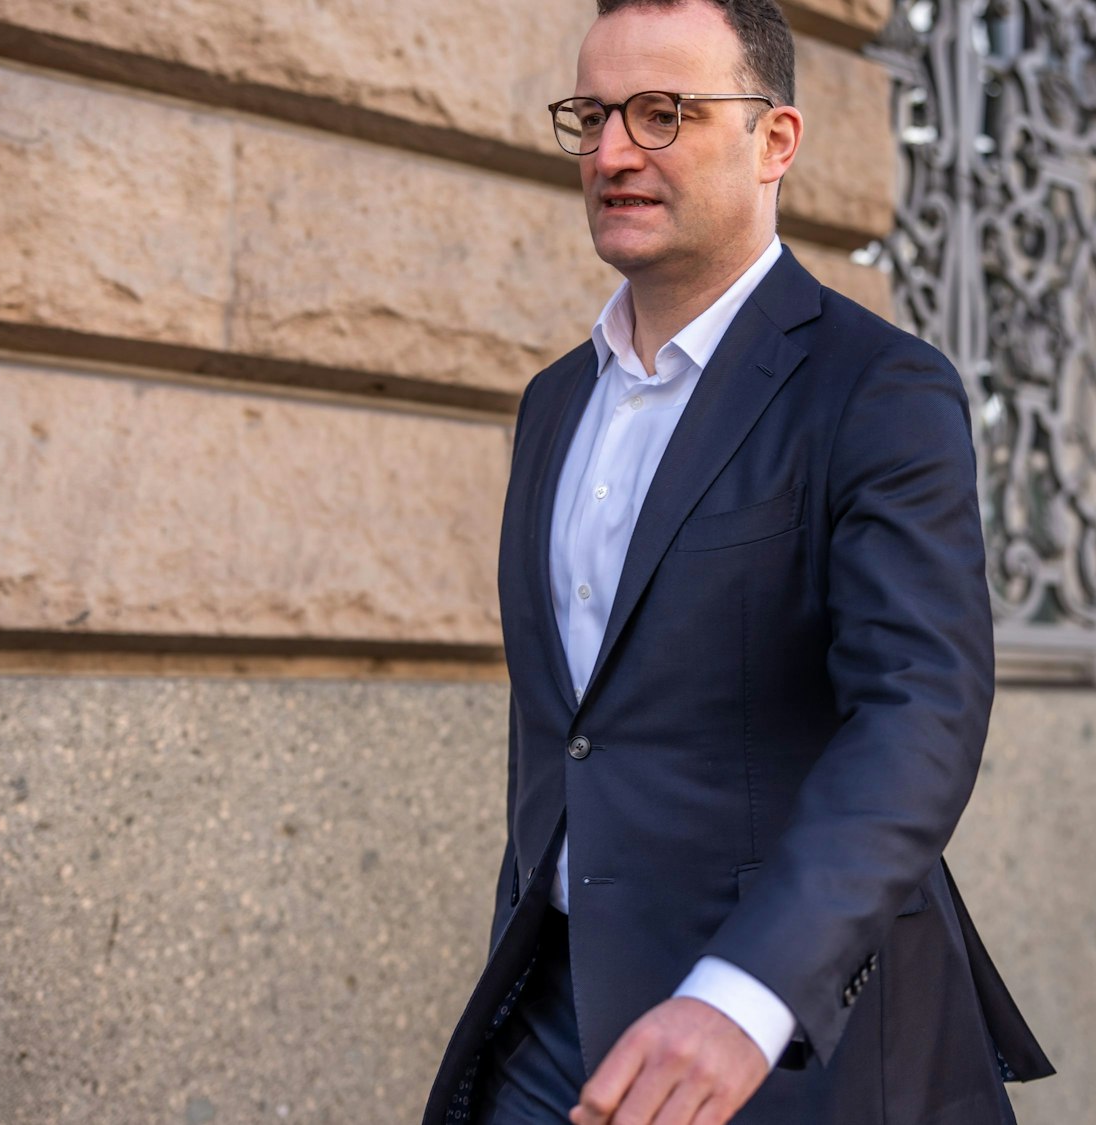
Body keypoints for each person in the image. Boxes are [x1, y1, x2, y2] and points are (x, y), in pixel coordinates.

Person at [421, 2, 1051, 1123]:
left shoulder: (876, 389)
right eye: (595, 116)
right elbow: (573, 731)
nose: (614, 152)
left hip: (786, 1034)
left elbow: (919, 717)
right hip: (552, 1019)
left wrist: (748, 994)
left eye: (663, 114)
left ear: (775, 141)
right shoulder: (554, 401)